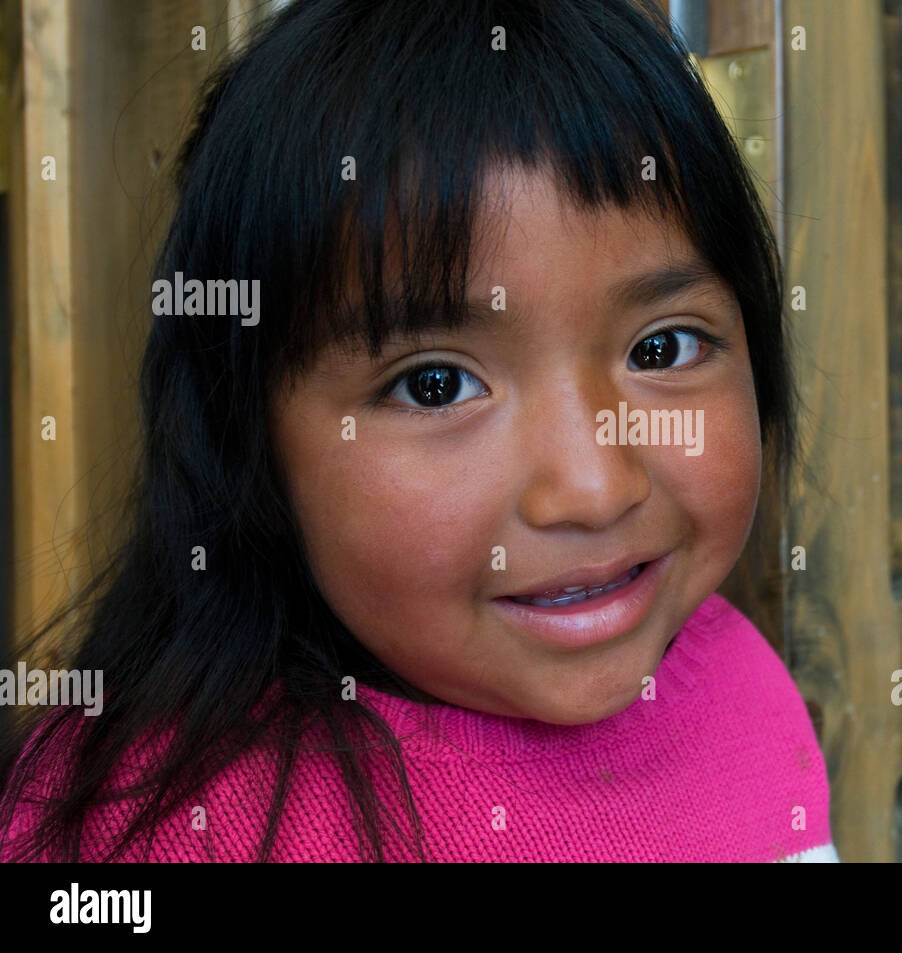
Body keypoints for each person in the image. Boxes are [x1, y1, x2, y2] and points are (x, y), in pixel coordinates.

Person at [0, 0, 837, 862]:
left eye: (662, 347)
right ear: (248, 441)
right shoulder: (160, 826)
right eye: (436, 385)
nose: (593, 485)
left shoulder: (746, 686)